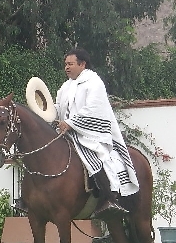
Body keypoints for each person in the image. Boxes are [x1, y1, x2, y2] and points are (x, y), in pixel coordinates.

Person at [55, 48, 138, 218]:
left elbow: (93, 109)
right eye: (66, 64)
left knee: (96, 158)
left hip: (90, 135)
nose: (67, 68)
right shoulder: (65, 86)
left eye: (70, 64)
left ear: (82, 64)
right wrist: (46, 112)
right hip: (68, 134)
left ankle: (109, 199)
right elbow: (59, 108)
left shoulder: (94, 82)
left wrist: (70, 123)